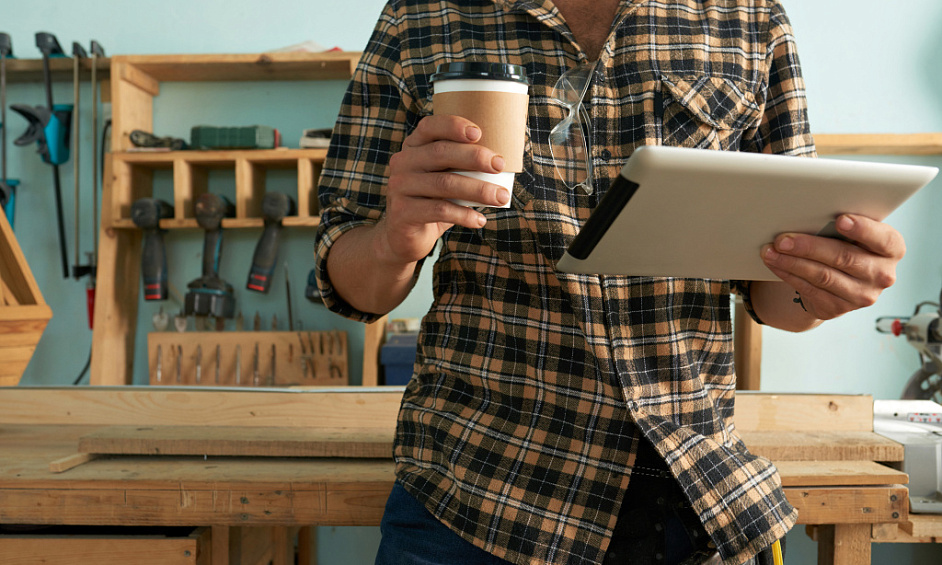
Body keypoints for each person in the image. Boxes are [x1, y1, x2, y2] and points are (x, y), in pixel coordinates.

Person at [313, 1, 906, 563]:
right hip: (478, 492)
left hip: (695, 495)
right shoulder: (419, 14)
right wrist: (394, 236)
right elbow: (350, 281)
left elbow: (780, 294)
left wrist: (823, 285)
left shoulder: (749, 15)